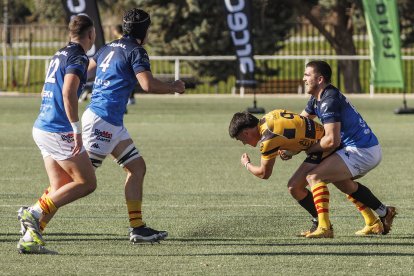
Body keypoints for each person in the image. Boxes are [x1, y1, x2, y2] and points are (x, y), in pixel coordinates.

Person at [82, 8, 185, 244]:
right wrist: (174, 87)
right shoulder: (137, 51)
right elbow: (147, 84)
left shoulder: (108, 46)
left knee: (137, 167)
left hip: (110, 121)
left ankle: (137, 227)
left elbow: (85, 71)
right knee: (80, 181)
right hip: (103, 120)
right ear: (145, 30)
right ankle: (38, 213)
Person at [17, 14, 97, 254]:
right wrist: (75, 128)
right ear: (91, 34)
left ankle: (31, 238)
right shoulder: (78, 56)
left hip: (42, 126)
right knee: (86, 182)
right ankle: (34, 212)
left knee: (59, 186)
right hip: (58, 128)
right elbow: (68, 92)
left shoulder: (60, 54)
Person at [294, 60, 396, 238]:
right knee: (343, 182)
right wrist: (288, 145)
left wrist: (309, 149)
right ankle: (380, 215)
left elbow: (332, 141)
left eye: (307, 75)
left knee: (314, 176)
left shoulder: (329, 100)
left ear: (319, 79)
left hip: (362, 150)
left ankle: (325, 229)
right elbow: (299, 124)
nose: (303, 79)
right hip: (361, 147)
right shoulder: (317, 98)